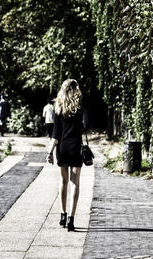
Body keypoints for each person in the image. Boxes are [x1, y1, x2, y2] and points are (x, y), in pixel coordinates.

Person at [46, 79, 86, 232]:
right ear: (76, 90)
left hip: (62, 148)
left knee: (63, 182)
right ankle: (71, 219)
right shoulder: (80, 108)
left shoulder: (58, 108)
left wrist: (50, 152)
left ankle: (63, 214)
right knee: (75, 183)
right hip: (76, 148)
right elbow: (85, 126)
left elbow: (55, 135)